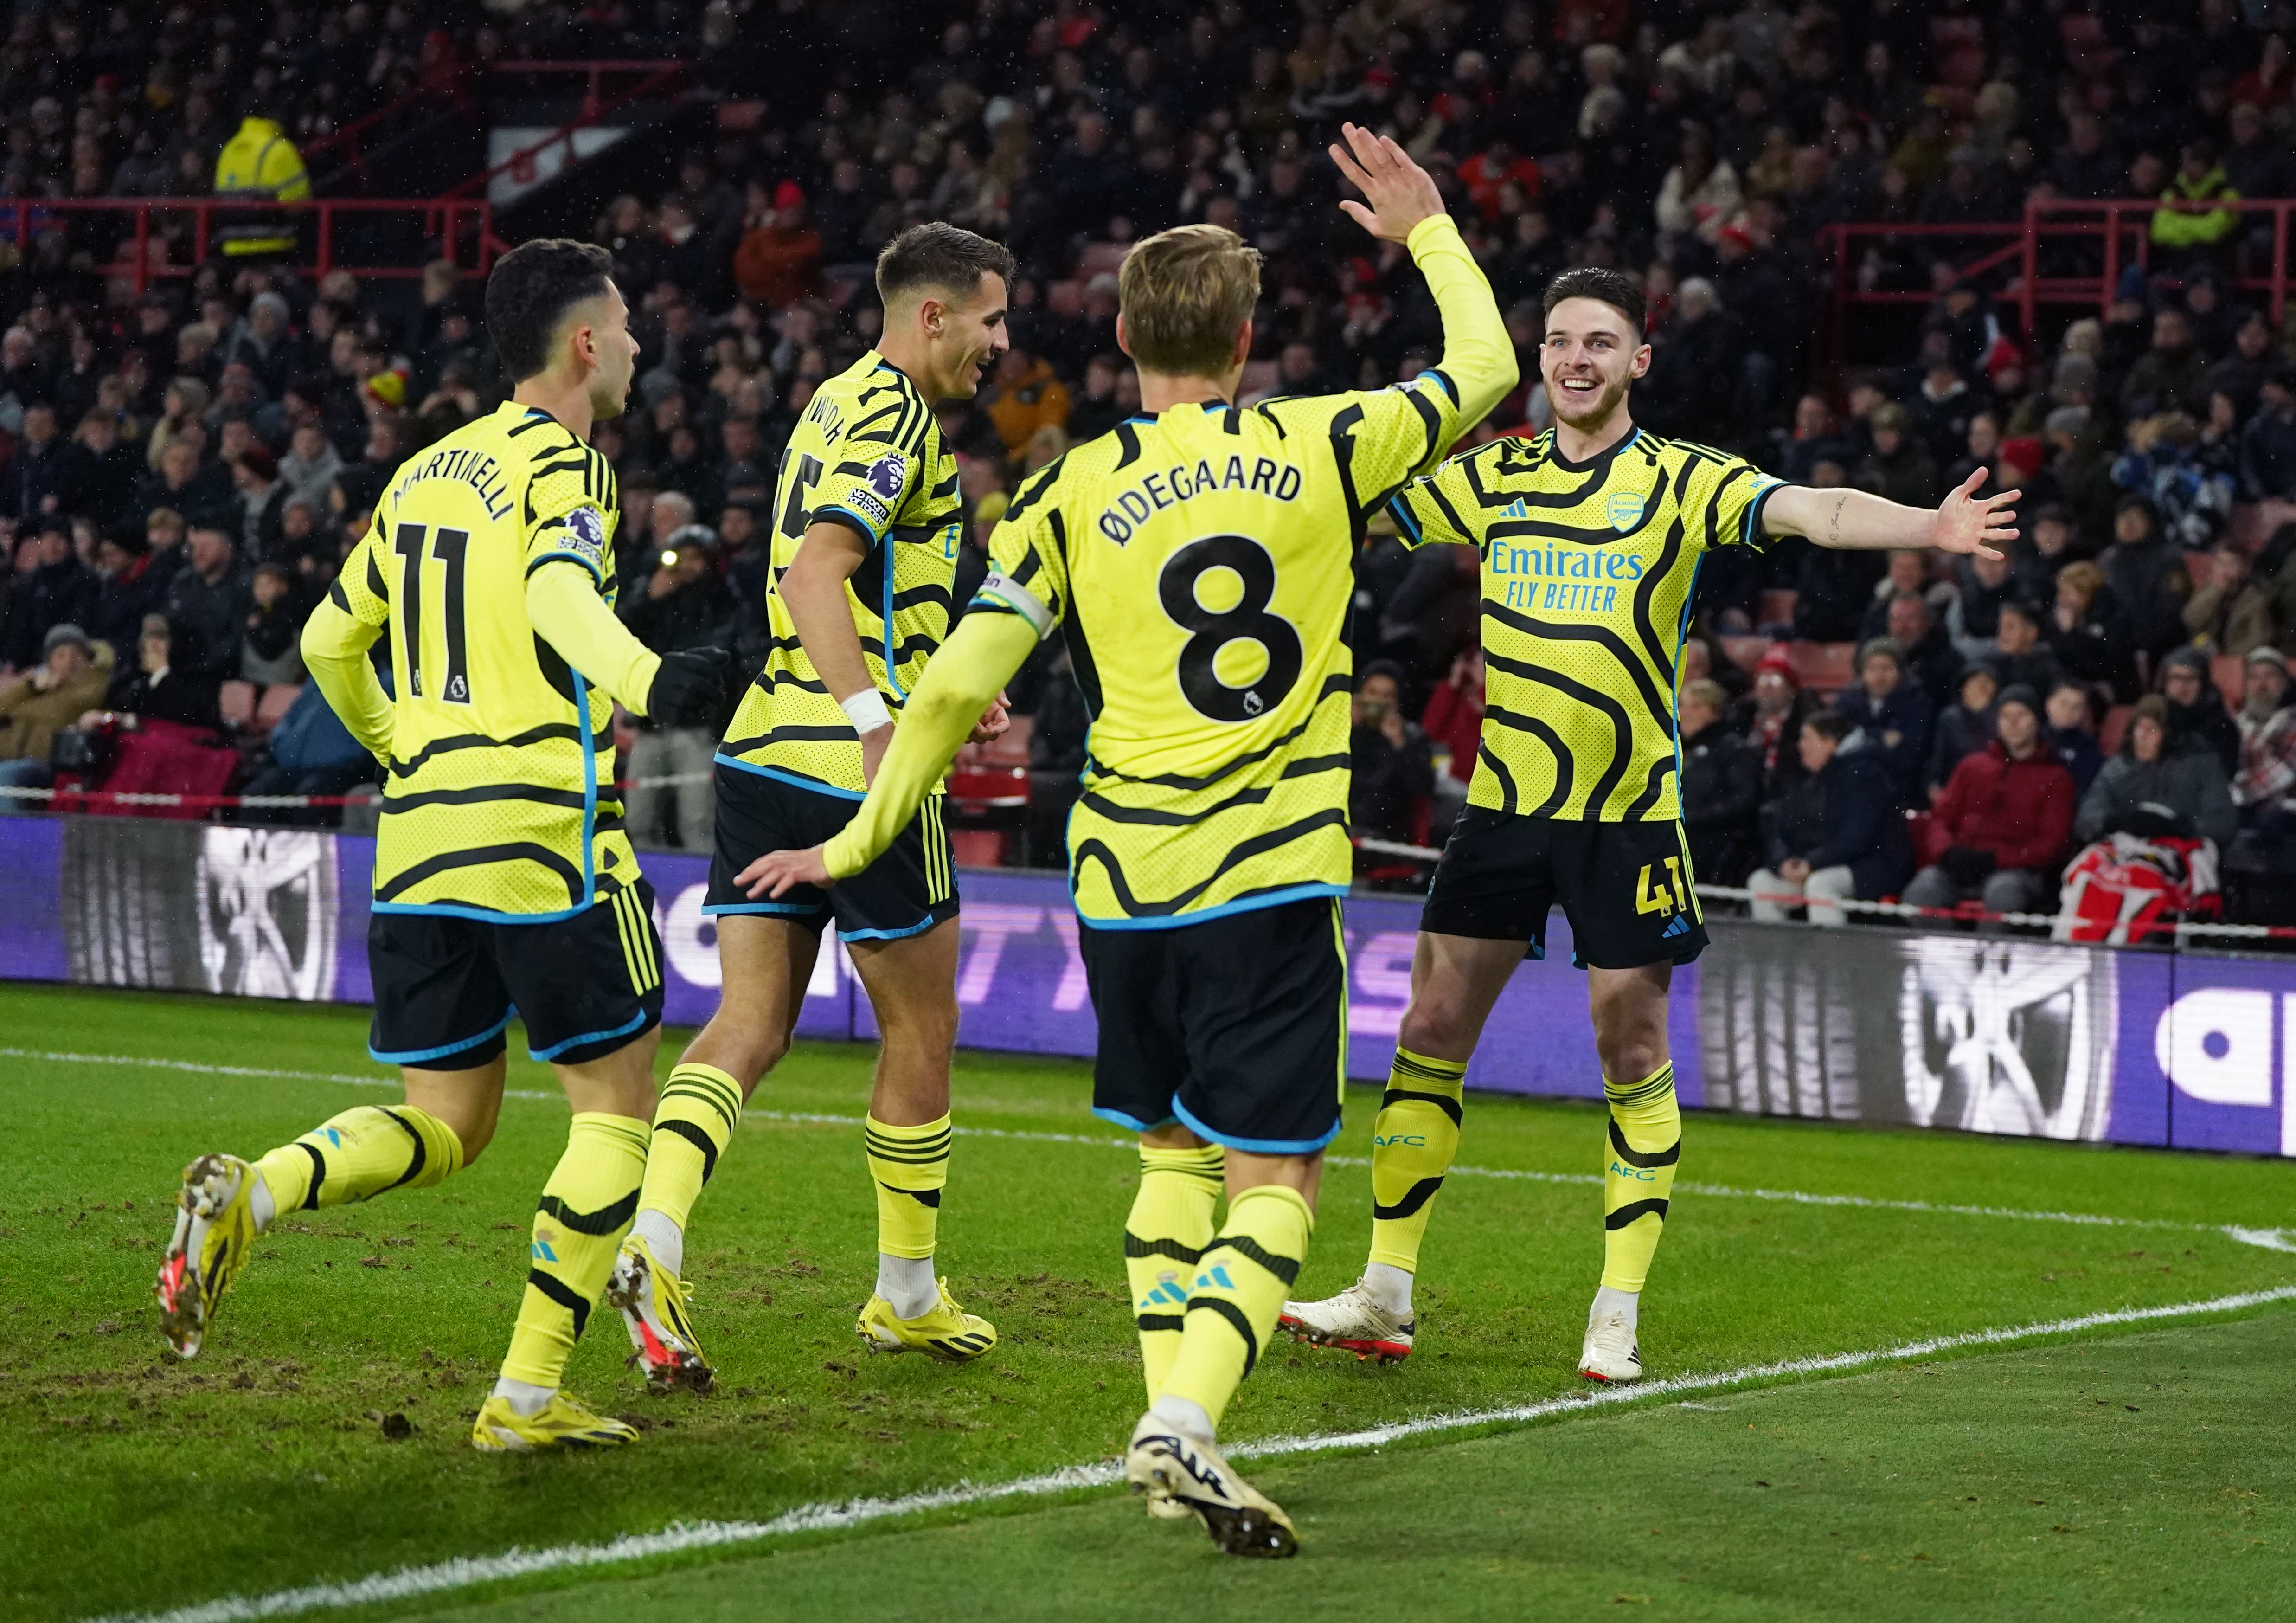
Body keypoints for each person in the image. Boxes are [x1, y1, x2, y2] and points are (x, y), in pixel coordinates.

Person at [738, 125, 1515, 1555]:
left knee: (1167, 1153)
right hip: (1268, 867)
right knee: (1274, 1180)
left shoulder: (1060, 490)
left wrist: (860, 835)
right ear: (1246, 333)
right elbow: (1486, 373)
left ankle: (1174, 1410)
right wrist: (1428, 233)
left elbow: (959, 686)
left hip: (1122, 879)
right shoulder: (1325, 438)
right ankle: (1187, 1420)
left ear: (1119, 332)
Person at [1277, 263, 2016, 1391]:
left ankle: (1614, 1311)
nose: (1576, 359)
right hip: (1505, 807)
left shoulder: (1683, 480)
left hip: (1625, 816)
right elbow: (1353, 499)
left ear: (1639, 363)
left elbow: (1812, 509)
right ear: (1541, 361)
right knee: (1429, 1022)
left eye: (1600, 342)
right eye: (1560, 341)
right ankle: (1385, 1285)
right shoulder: (1496, 476)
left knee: (1629, 1042)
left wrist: (1933, 523)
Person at [148, 239, 735, 1456]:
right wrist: (650, 677)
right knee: (620, 1106)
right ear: (581, 343)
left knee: (451, 1122)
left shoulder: (421, 473)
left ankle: (252, 1191)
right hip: (537, 829)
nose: (633, 345)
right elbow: (559, 600)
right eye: (622, 326)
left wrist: (400, 747)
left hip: (415, 842)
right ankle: (525, 1392)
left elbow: (324, 641)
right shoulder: (565, 462)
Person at [616, 224, 1019, 1403]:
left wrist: (941, 678)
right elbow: (814, 574)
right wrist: (883, 723)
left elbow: (848, 581)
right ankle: (904, 1291)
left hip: (761, 751)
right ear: (931, 315)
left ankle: (657, 1236)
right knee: (920, 1034)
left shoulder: (833, 402)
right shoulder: (897, 415)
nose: (1001, 343)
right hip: (857, 770)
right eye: (989, 319)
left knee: (747, 1023)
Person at [1904, 685, 2076, 926]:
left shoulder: (2056, 778)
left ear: (2037, 721)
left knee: (2003, 894)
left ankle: (1991, 962)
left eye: (2021, 716)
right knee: (1923, 890)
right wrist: (1947, 852)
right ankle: (1940, 960)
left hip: (2017, 871)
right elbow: (1940, 819)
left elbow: (2050, 844)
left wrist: (1996, 859)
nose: (2012, 723)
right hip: (1960, 864)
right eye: (2005, 716)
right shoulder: (1971, 767)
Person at [619, 523, 738, 851]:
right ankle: (652, 894)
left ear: (711, 562)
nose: (685, 566)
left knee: (697, 823)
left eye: (694, 559)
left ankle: (697, 898)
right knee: (636, 821)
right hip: (650, 723)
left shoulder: (723, 602)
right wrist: (647, 599)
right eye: (678, 558)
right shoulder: (655, 598)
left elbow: (719, 659)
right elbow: (617, 635)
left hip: (697, 730)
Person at [1744, 709, 1912, 926]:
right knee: (1762, 881)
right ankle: (1777, 957)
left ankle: (1830, 957)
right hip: (1815, 865)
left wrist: (1813, 863)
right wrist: (1783, 862)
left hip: (1870, 867)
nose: (1800, 746)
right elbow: (1780, 826)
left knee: (1821, 884)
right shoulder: (1806, 779)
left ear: (1830, 743)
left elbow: (1857, 837)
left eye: (1807, 738)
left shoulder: (1866, 776)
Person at [2075, 693, 2237, 847]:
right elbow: (2087, 817)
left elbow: (2222, 823)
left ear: (2170, 736)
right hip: (2123, 853)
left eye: (2152, 729)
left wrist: (2181, 828)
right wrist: (2113, 822)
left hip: (2183, 851)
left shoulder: (2202, 767)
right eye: (2139, 728)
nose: (2142, 737)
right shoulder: (2117, 769)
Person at [0, 623, 111, 808]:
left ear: (86, 659)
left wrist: (20, 709)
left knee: (6, 777)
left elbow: (59, 712)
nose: (69, 662)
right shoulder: (37, 686)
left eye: (76, 655)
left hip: (45, 765)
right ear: (49, 661)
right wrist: (30, 686)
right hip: (10, 757)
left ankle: (11, 837)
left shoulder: (92, 685)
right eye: (61, 655)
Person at [1676, 678, 1760, 886]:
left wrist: (1694, 817)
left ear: (1713, 711)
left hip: (1716, 837)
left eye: (1695, 706)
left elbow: (1742, 801)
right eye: (1682, 706)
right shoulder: (1674, 747)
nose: (1684, 713)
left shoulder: (1733, 750)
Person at [1831, 636, 1932, 804]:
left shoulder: (1917, 703)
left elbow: (1909, 755)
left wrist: (1860, 740)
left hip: (1900, 791)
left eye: (1886, 669)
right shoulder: (1846, 703)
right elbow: (1837, 751)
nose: (1879, 676)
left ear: (1900, 671)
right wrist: (1879, 738)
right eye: (1872, 669)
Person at [1350, 659, 1434, 851]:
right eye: (1372, 693)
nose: (1378, 701)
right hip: (1343, 826)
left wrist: (1399, 744)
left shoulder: (1412, 737)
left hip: (1388, 836)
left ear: (1397, 702)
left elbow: (1422, 789)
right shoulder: (1343, 731)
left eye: (1387, 696)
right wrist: (1344, 731)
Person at [212, 108, 310, 259]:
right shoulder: (281, 148)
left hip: (231, 246)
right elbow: (297, 202)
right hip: (273, 246)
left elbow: (219, 198)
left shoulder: (229, 148)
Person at [2161, 644, 2242, 776]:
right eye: (2176, 677)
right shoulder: (2157, 717)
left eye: (2190, 678)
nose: (2182, 686)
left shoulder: (2222, 727)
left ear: (2203, 683)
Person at [1930, 660, 2000, 794]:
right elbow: (1939, 756)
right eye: (1975, 682)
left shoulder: (2001, 716)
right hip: (1957, 785)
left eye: (1987, 683)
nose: (1981, 687)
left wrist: (1985, 713)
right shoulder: (1950, 718)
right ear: (1963, 688)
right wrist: (1934, 785)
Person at [2044, 680, 2106, 795]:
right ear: (2049, 704)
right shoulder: (2035, 739)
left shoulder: (2089, 747)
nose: (2068, 711)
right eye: (2064, 704)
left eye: (2076, 707)